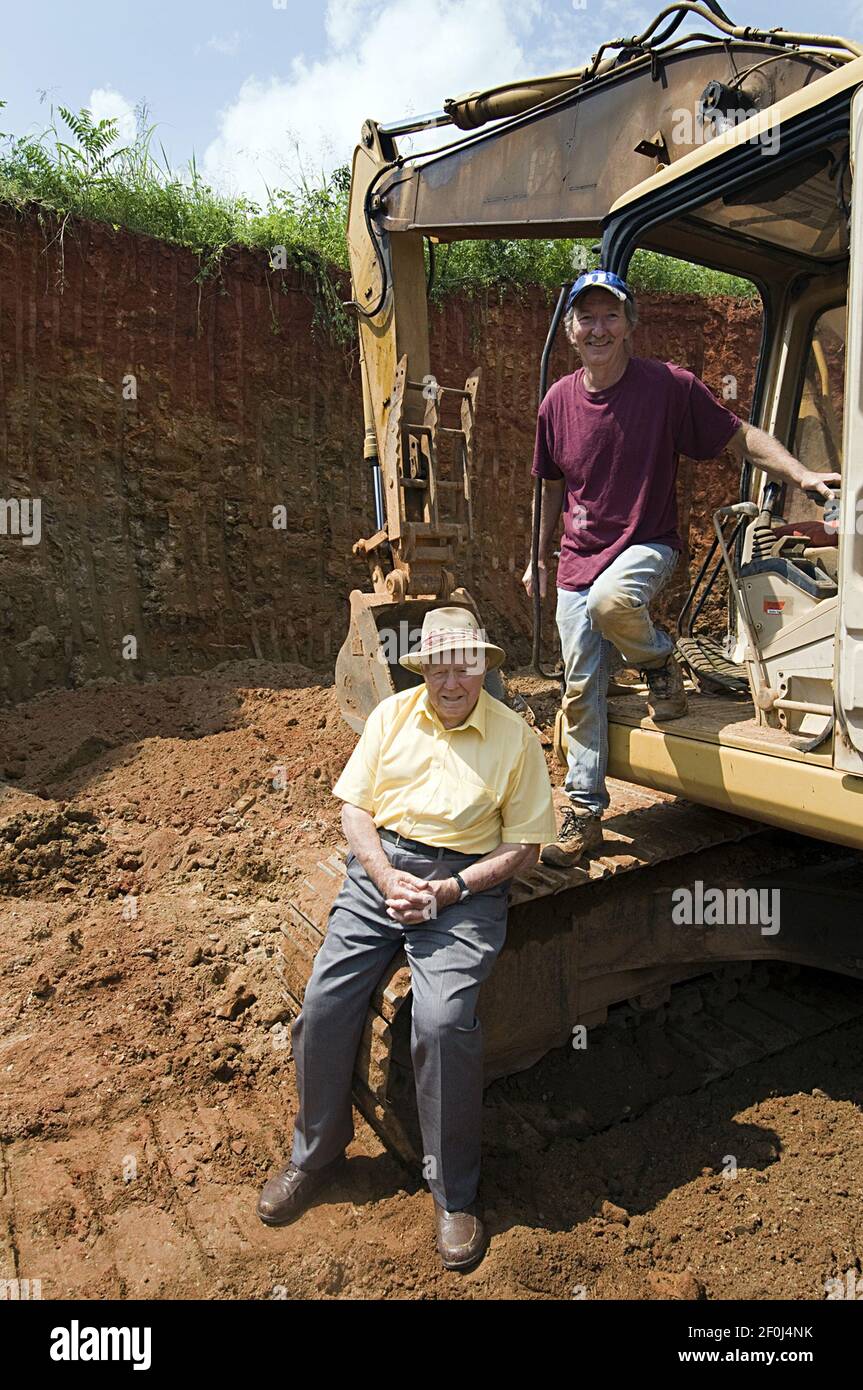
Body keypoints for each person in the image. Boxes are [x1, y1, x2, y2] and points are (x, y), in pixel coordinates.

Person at [257, 605, 556, 1270]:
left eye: (465, 667)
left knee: (444, 1024)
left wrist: (452, 890)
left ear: (482, 668)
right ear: (421, 669)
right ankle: (316, 1156)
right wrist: (387, 875)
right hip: (381, 875)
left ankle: (453, 1195)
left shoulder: (514, 738)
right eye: (439, 668)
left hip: (465, 889)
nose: (451, 681)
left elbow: (526, 846)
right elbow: (354, 810)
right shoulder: (391, 716)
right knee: (325, 1004)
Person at [524, 269, 841, 868]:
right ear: (570, 330)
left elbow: (738, 435)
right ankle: (585, 812)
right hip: (576, 558)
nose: (598, 328)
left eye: (610, 316)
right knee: (579, 686)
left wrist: (800, 475)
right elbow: (551, 486)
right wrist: (537, 558)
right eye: (586, 317)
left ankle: (656, 658)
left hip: (647, 545)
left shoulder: (667, 387)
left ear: (630, 326)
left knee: (610, 602)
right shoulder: (556, 403)